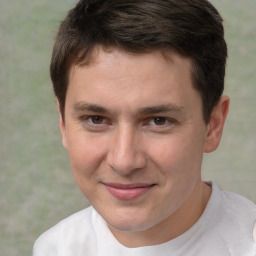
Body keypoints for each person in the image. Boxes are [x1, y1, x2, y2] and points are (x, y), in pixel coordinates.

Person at [33, 0, 256, 255]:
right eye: (96, 119)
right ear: (63, 123)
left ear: (212, 126)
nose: (124, 161)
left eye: (158, 120)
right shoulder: (54, 248)